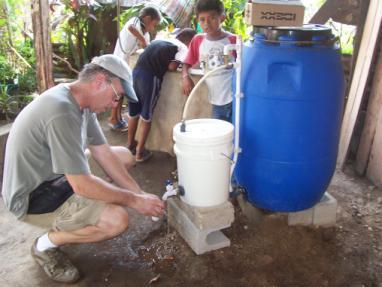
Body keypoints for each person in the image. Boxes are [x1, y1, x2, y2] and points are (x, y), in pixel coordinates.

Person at [1, 54, 165, 283]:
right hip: (34, 196)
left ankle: (87, 210)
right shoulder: (61, 111)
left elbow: (103, 152)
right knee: (116, 220)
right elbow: (82, 184)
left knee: (124, 156)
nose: (115, 105)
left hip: (55, 174)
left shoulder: (79, 102)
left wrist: (140, 194)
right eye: (116, 96)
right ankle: (45, 244)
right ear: (99, 82)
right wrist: (133, 201)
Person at [127, 28, 196, 162]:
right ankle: (140, 153)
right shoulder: (182, 48)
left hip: (135, 73)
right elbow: (172, 67)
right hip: (150, 78)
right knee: (146, 116)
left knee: (133, 113)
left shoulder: (161, 39)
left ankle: (130, 145)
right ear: (190, 42)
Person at [182, 0, 236, 122]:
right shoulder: (197, 40)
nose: (206, 24)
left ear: (222, 18)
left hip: (236, 98)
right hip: (216, 101)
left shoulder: (233, 40)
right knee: (219, 133)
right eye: (202, 19)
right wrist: (185, 77)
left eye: (212, 18)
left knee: (237, 134)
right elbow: (186, 63)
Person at [109, 6, 161, 132]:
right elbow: (131, 28)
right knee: (118, 93)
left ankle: (118, 118)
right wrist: (142, 40)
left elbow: (145, 47)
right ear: (147, 18)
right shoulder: (135, 21)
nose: (153, 27)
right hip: (119, 61)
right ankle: (113, 118)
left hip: (126, 64)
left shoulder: (146, 33)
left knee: (121, 92)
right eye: (154, 24)